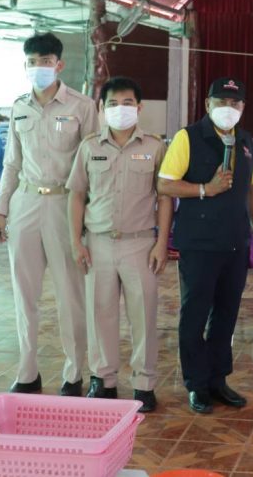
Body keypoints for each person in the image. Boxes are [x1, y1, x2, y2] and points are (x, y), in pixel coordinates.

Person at [0, 32, 98, 396]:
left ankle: (73, 373)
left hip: (65, 205)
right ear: (26, 66)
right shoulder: (19, 106)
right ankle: (27, 372)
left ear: (59, 64)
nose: (39, 68)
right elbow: (11, 163)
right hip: (25, 203)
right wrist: (1, 211)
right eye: (32, 62)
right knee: (24, 294)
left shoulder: (82, 106)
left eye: (45, 61)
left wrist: (88, 219)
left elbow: (93, 164)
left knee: (71, 294)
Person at [157, 77, 253, 414]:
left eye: (235, 103)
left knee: (226, 314)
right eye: (221, 102)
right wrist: (205, 188)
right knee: (195, 314)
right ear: (207, 104)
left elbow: (251, 189)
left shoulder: (246, 142)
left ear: (243, 107)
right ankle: (196, 384)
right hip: (199, 244)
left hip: (235, 242)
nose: (228, 109)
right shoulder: (188, 138)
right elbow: (165, 185)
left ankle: (218, 380)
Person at [66, 77, 171, 413]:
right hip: (98, 243)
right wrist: (76, 242)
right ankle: (103, 379)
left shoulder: (155, 147)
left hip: (141, 244)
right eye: (112, 103)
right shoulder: (89, 147)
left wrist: (162, 243)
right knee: (101, 313)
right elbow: (77, 196)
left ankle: (144, 383)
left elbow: (165, 198)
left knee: (144, 315)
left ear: (139, 108)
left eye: (127, 103)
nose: (120, 109)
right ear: (102, 108)